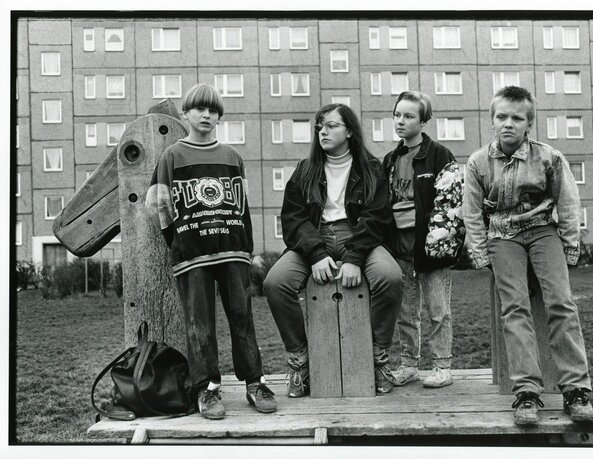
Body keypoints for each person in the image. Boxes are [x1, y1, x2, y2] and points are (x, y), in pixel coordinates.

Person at [462, 86, 593, 426]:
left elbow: (567, 202)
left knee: (561, 302)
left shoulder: (548, 157)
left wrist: (568, 245)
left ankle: (576, 390)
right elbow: (471, 212)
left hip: (542, 231)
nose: (509, 124)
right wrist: (480, 251)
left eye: (517, 118)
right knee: (515, 307)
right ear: (491, 120)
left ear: (529, 123)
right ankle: (527, 392)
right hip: (502, 236)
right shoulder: (478, 162)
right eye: (502, 117)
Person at [145, 83, 276, 419]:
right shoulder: (172, 156)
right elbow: (158, 203)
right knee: (199, 323)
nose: (206, 115)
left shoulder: (232, 156)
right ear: (185, 114)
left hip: (232, 251)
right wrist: (177, 240)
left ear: (219, 116)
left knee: (243, 318)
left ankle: (255, 382)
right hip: (192, 255)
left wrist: (245, 247)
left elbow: (242, 204)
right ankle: (208, 389)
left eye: (213, 110)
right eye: (199, 109)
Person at [264, 103, 403, 396]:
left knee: (390, 277)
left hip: (359, 236)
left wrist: (354, 257)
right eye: (319, 126)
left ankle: (377, 360)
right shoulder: (306, 169)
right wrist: (315, 254)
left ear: (349, 131)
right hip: (315, 238)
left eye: (331, 125)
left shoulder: (370, 167)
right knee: (275, 283)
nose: (322, 131)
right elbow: (293, 218)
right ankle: (300, 362)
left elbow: (376, 216)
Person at [382, 91, 465, 389]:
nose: (400, 121)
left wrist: (437, 243)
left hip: (431, 247)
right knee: (406, 311)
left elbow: (450, 202)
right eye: (397, 115)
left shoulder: (440, 155)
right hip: (399, 248)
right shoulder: (390, 159)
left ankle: (443, 366)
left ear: (423, 120)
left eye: (408, 116)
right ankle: (409, 365)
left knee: (437, 310)